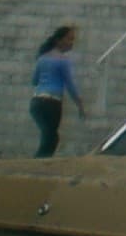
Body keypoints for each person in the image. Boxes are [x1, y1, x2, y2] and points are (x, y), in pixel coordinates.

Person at [29, 26, 85, 158]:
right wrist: (79, 104)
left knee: (49, 136)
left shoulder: (42, 58)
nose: (71, 43)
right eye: (69, 39)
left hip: (36, 103)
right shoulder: (63, 61)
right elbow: (70, 85)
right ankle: (38, 164)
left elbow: (34, 81)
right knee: (50, 137)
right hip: (52, 103)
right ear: (59, 41)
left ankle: (40, 163)